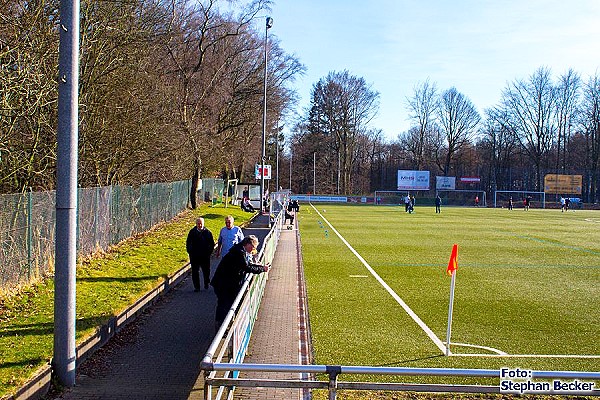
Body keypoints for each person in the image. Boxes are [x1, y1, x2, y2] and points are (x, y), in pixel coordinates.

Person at [210, 235, 270, 328]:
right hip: (223, 284)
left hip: (227, 283)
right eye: (253, 247)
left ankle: (224, 324)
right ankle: (221, 325)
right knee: (224, 304)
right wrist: (262, 269)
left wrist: (261, 267)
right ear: (247, 244)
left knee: (228, 303)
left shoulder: (240, 250)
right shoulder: (239, 252)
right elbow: (246, 267)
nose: (253, 250)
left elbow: (247, 264)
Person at [186, 217, 215, 291]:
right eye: (198, 224)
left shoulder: (208, 232)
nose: (200, 225)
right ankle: (197, 287)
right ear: (196, 224)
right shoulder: (192, 232)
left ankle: (206, 282)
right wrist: (190, 252)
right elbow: (188, 243)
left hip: (205, 256)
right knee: (195, 271)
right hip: (194, 256)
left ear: (203, 224)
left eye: (201, 224)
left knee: (206, 271)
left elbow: (212, 244)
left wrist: (209, 253)